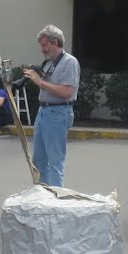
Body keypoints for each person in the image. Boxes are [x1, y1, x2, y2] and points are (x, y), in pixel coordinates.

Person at [24, 25, 79, 186]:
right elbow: (47, 85)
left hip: (58, 112)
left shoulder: (69, 62)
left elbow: (67, 92)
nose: (42, 49)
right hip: (44, 111)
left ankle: (56, 200)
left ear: (55, 42)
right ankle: (43, 197)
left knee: (55, 161)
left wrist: (39, 81)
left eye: (44, 45)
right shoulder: (49, 63)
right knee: (39, 160)